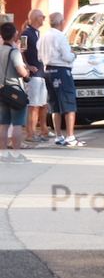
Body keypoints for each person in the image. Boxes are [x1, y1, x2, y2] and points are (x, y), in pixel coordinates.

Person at [39, 12, 83, 146]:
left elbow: (39, 56)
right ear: (60, 22)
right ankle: (70, 136)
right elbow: (66, 56)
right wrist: (73, 55)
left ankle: (59, 135)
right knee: (69, 103)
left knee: (55, 105)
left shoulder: (43, 36)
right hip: (62, 71)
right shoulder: (60, 36)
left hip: (48, 71)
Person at [0, 22, 31, 163]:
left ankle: (3, 154)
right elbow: (21, 70)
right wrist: (27, 75)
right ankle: (17, 154)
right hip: (15, 91)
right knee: (17, 123)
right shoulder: (14, 52)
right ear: (14, 35)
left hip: (1, 90)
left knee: (4, 124)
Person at [20, 9, 50, 142]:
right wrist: (27, 66)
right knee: (33, 105)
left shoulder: (38, 34)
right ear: (36, 18)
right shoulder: (26, 33)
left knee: (43, 104)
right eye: (42, 16)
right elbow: (21, 51)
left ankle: (44, 130)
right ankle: (30, 133)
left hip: (42, 73)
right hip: (34, 74)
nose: (44, 19)